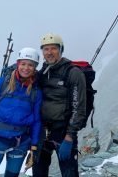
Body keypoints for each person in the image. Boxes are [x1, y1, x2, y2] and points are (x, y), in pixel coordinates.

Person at [0, 47, 43, 177]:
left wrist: (34, 147)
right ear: (18, 64)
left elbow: (36, 120)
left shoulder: (36, 92)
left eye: (30, 65)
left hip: (21, 141)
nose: (26, 68)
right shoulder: (1, 83)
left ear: (35, 68)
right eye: (23, 64)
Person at [33, 33, 86, 177]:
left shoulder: (73, 72)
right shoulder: (42, 73)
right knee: (38, 172)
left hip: (63, 133)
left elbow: (79, 107)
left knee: (69, 173)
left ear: (61, 49)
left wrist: (69, 137)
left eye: (53, 48)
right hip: (42, 133)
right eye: (46, 49)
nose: (49, 52)